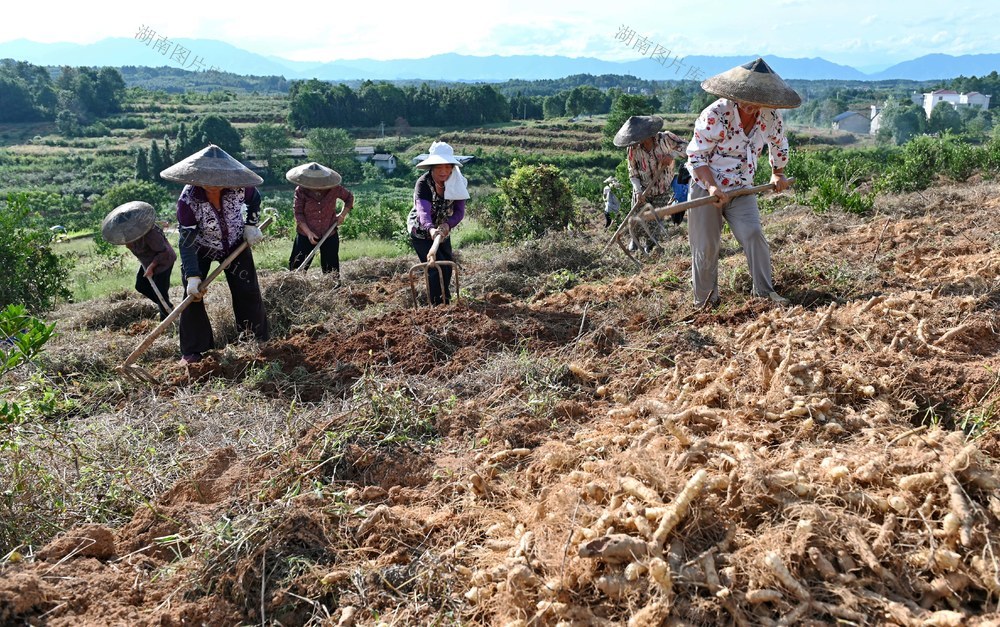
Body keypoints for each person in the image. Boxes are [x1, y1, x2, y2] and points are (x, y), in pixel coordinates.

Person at [685, 57, 799, 308]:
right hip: (706, 186)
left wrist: (777, 173)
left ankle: (765, 293)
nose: (751, 106)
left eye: (757, 101)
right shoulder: (715, 115)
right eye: (747, 100)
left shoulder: (770, 115)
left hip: (742, 186)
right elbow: (696, 156)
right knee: (706, 246)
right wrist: (713, 186)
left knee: (753, 234)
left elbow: (778, 143)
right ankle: (704, 303)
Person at [160, 144, 269, 364]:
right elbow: (187, 240)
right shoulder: (188, 201)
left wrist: (251, 225)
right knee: (193, 297)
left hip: (236, 243)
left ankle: (255, 339)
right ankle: (194, 351)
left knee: (247, 290)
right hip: (201, 247)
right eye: (207, 181)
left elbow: (255, 199)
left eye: (218, 180)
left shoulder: (240, 186)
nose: (213, 185)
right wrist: (192, 275)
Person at [407, 141, 468, 305]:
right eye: (439, 167)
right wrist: (431, 230)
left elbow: (459, 212)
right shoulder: (423, 184)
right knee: (433, 269)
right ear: (431, 168)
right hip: (421, 230)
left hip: (444, 229)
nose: (444, 171)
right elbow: (423, 212)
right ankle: (436, 305)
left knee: (447, 267)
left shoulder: (457, 181)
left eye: (447, 167)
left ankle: (445, 300)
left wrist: (448, 225)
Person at [613, 115, 687, 249]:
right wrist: (638, 190)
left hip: (662, 189)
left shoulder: (666, 139)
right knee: (635, 219)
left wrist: (672, 155)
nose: (637, 141)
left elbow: (688, 148)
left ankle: (651, 246)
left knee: (654, 220)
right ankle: (634, 242)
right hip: (642, 189)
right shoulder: (633, 148)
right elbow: (633, 172)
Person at [100, 201, 176, 320]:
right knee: (141, 285)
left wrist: (152, 267)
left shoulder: (150, 233)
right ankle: (167, 306)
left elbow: (163, 252)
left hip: (163, 262)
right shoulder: (129, 234)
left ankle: (167, 318)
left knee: (160, 291)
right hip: (147, 262)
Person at [286, 162, 354, 277]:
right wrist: (308, 233)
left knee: (331, 271)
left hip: (329, 232)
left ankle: (333, 291)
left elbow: (349, 198)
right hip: (305, 234)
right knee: (297, 267)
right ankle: (295, 291)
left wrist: (342, 215)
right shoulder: (301, 190)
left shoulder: (334, 189)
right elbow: (298, 213)